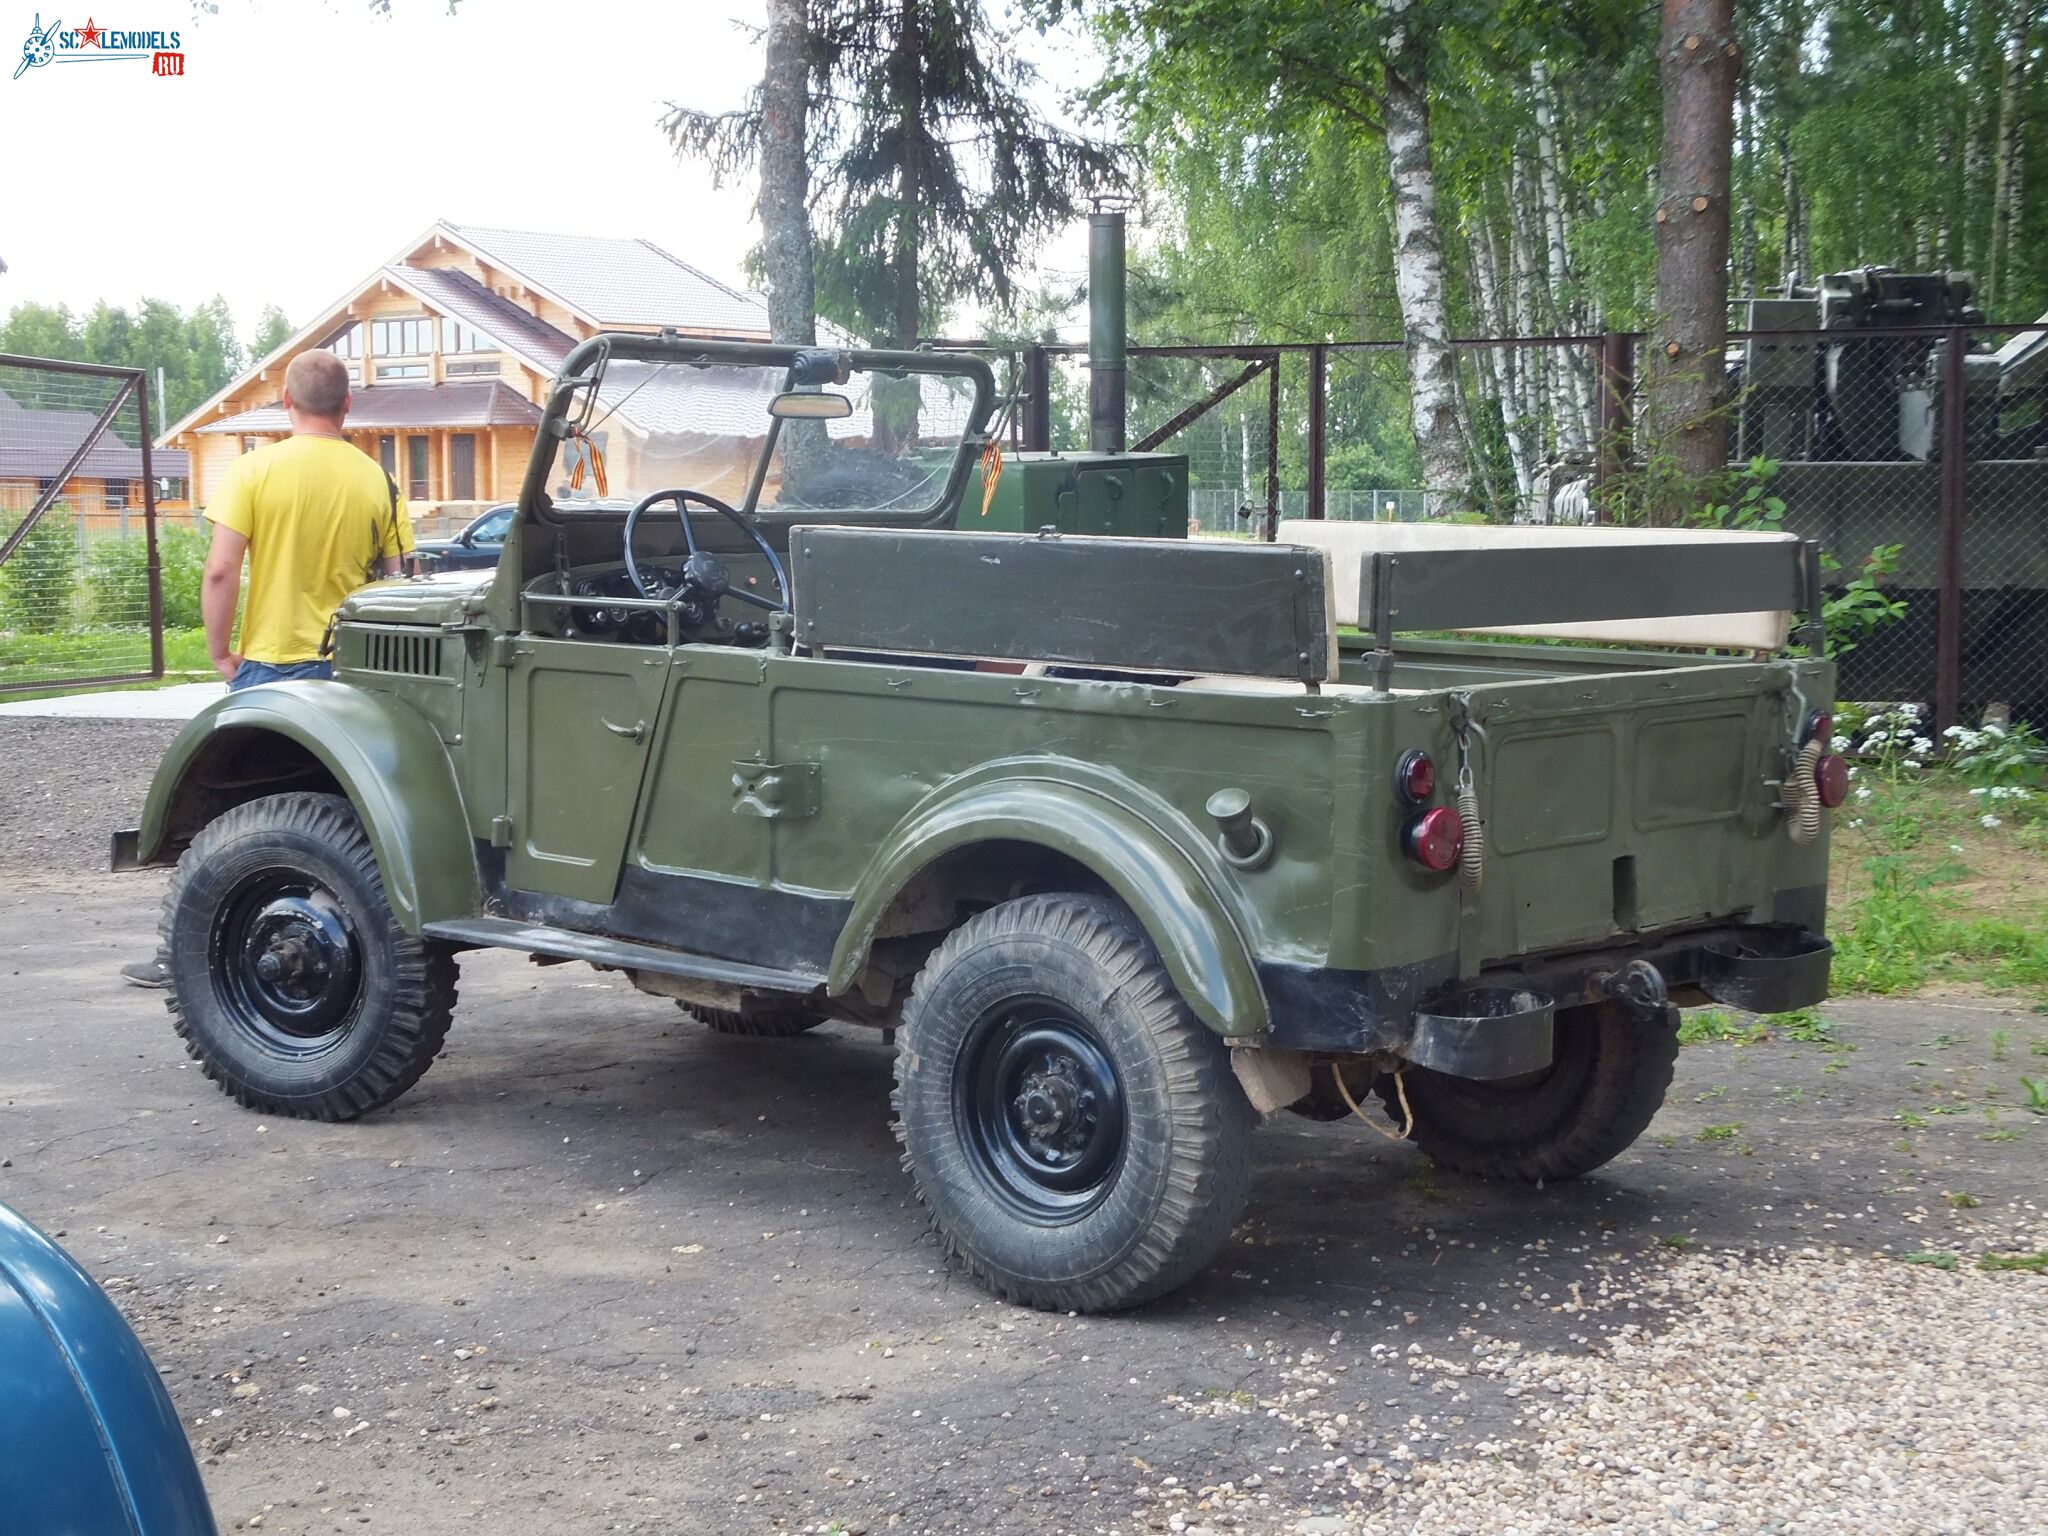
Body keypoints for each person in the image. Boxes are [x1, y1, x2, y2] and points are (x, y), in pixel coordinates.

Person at [121, 349, 414, 987]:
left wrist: (222, 652)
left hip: (272, 668)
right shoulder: (379, 481)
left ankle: (192, 955)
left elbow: (222, 569)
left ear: (287, 402)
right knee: (354, 823)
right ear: (346, 406)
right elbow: (399, 582)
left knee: (242, 827)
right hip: (357, 675)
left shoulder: (255, 470)